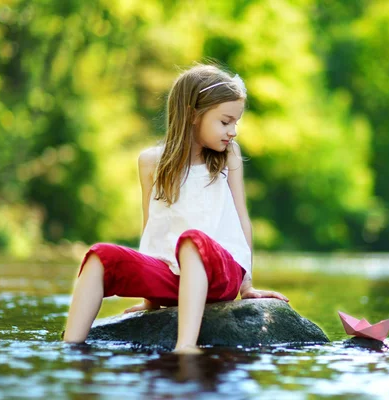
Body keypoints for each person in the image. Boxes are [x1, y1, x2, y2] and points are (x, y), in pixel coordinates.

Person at [63, 64, 289, 353]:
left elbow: (242, 217)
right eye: (225, 121)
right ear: (193, 114)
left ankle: (185, 347)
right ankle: (70, 347)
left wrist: (247, 287)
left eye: (236, 123)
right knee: (100, 256)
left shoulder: (226, 156)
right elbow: (153, 225)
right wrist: (150, 302)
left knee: (192, 241)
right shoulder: (150, 162)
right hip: (172, 274)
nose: (233, 131)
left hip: (220, 271)